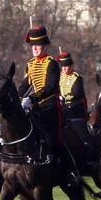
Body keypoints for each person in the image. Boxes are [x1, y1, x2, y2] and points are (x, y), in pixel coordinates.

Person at [17, 24, 67, 168]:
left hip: (50, 105)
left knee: (51, 135)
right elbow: (25, 85)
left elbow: (50, 88)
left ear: (44, 46)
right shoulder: (31, 64)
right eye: (32, 45)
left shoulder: (51, 64)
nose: (35, 48)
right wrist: (18, 99)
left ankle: (60, 163)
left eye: (38, 45)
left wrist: (32, 98)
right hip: (36, 106)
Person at [57, 49, 87, 120]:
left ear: (70, 66)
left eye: (66, 66)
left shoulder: (76, 77)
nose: (64, 68)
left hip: (75, 106)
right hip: (62, 105)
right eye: (62, 66)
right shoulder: (60, 76)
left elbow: (76, 93)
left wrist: (63, 97)